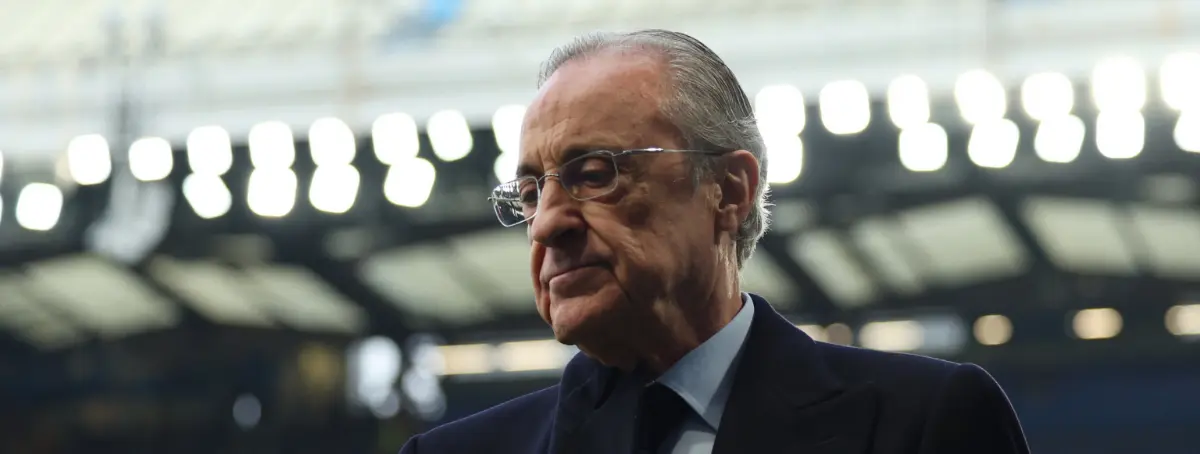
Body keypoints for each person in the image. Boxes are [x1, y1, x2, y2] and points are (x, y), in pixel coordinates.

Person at [400, 29, 1030, 454]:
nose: (545, 225)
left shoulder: (925, 424)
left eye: (594, 175)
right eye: (530, 192)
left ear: (729, 191)